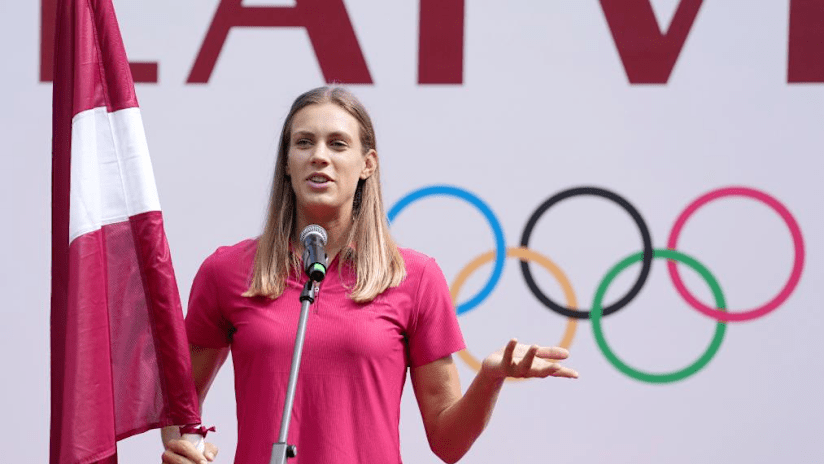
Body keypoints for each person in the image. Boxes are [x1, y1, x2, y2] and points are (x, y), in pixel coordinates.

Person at [161, 86, 578, 464]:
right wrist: (185, 450)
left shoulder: (414, 277)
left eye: (337, 144)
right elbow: (178, 408)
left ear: (367, 164)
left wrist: (490, 379)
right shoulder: (227, 271)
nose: (319, 155)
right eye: (303, 142)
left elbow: (448, 444)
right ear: (286, 164)